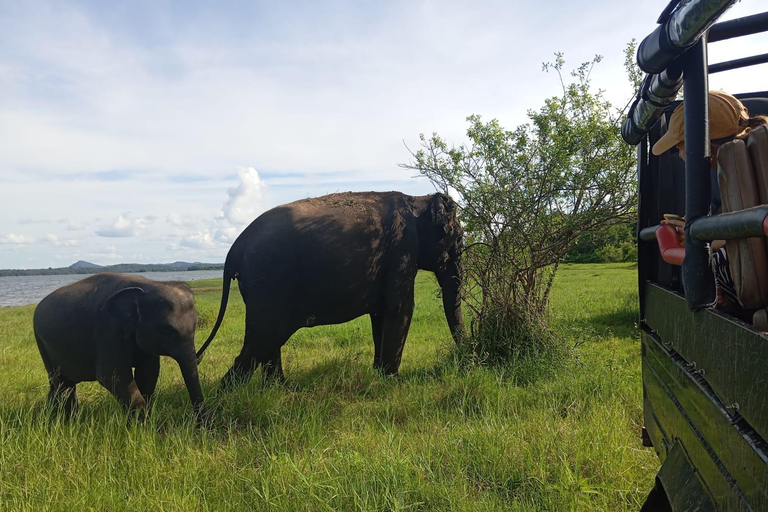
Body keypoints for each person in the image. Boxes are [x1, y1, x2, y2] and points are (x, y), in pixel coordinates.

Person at [651, 90, 768, 316]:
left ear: (706, 148)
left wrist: (696, 236)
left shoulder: (734, 170)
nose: (681, 155)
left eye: (680, 147)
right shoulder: (740, 165)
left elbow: (747, 236)